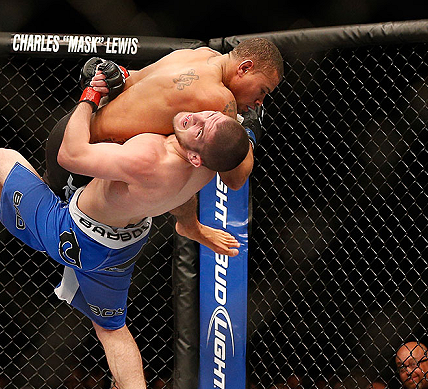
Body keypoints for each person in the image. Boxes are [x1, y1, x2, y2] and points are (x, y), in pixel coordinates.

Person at [0, 76, 249, 389]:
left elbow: (69, 154)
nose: (195, 119)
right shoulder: (207, 167)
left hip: (70, 230)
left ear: (195, 155)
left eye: (200, 130)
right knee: (111, 327)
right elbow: (195, 189)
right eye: (205, 116)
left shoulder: (150, 154)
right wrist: (193, 227)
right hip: (123, 247)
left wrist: (91, 96)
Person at [43, 37, 283, 256]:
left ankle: (189, 226)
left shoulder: (199, 54)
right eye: (263, 91)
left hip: (74, 125)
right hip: (85, 156)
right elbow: (235, 177)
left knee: (183, 160)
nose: (259, 102)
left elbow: (130, 78)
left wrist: (114, 73)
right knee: (204, 157)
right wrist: (250, 128)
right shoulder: (219, 100)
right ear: (245, 68)